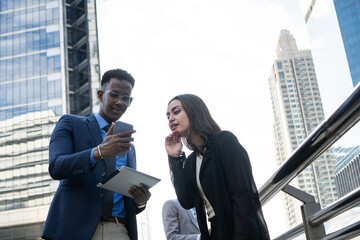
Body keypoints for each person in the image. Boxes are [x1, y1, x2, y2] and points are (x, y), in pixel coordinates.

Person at [42, 69, 151, 240]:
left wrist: (140, 201)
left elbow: (127, 201)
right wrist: (98, 152)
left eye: (126, 98)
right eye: (114, 95)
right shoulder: (71, 124)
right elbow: (56, 167)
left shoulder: (128, 147)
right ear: (100, 95)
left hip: (119, 229)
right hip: (74, 230)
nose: (120, 102)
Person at [165, 94, 270, 240]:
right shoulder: (191, 161)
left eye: (176, 112)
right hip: (215, 232)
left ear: (194, 111)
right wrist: (174, 157)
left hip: (241, 228)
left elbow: (243, 197)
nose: (170, 118)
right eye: (168, 115)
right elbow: (186, 200)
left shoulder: (224, 141)